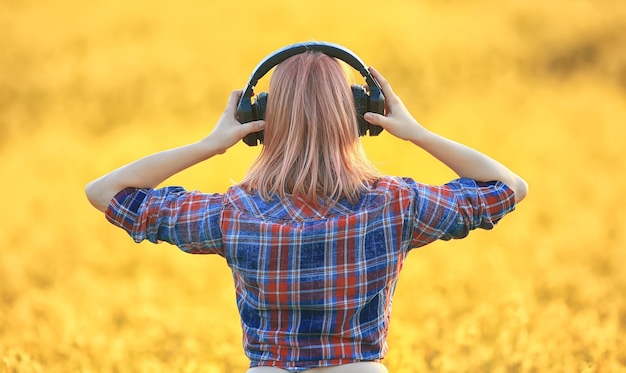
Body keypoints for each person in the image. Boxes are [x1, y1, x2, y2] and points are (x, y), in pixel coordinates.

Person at [85, 46, 528, 373]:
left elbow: (106, 193)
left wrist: (209, 146)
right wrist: (416, 133)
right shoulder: (395, 204)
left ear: (261, 121)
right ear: (358, 116)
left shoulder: (236, 214)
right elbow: (508, 188)